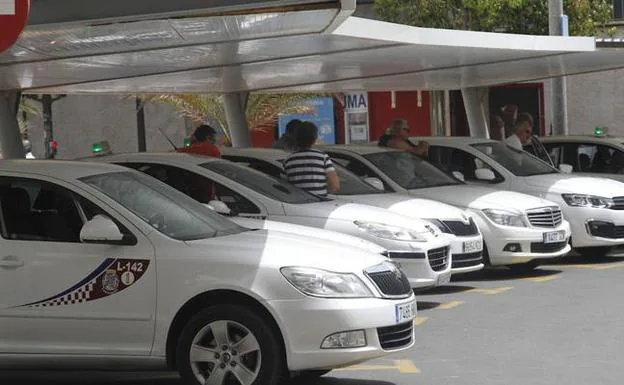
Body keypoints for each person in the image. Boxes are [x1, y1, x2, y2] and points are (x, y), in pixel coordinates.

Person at [282, 121, 339, 197]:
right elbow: (335, 186)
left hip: (298, 204)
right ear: (315, 138)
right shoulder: (323, 157)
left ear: (295, 138)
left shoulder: (288, 160)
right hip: (319, 203)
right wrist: (322, 194)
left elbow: (285, 187)